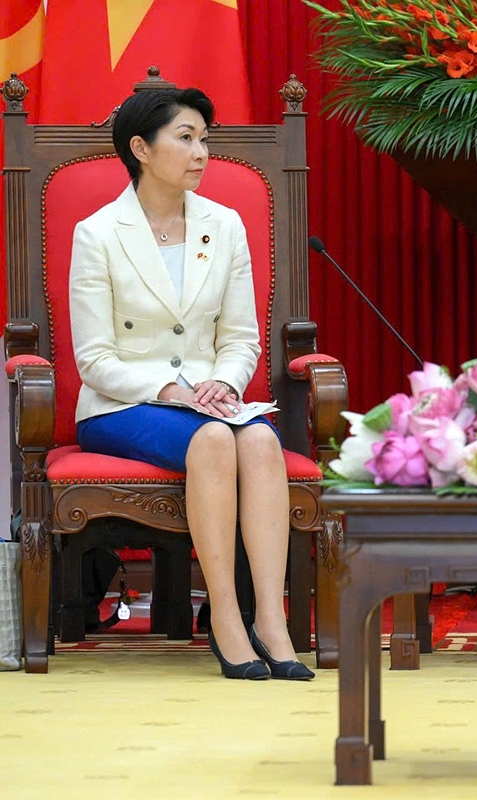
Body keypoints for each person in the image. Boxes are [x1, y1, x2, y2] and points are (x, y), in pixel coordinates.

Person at [69, 88, 313, 681]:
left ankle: (272, 624)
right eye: (186, 138)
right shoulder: (97, 233)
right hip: (122, 405)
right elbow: (94, 360)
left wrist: (224, 385)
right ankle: (226, 617)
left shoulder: (224, 226)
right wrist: (171, 390)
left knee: (258, 441)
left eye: (205, 138)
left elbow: (241, 339)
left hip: (211, 402)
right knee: (212, 441)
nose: (202, 152)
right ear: (140, 149)